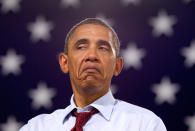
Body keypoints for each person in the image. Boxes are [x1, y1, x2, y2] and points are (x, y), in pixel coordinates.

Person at [20, 18, 167, 131]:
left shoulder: (145, 125)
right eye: (81, 47)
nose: (91, 55)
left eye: (103, 48)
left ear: (117, 66)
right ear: (64, 62)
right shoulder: (36, 127)